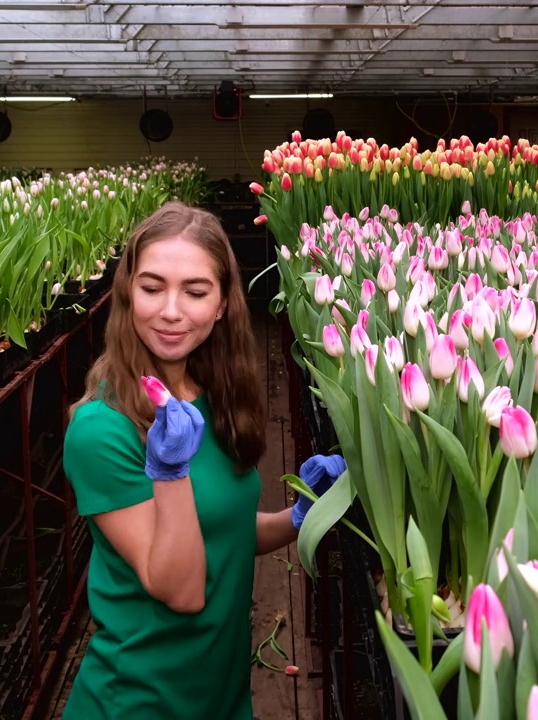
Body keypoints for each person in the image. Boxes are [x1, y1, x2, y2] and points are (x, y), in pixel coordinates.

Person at [61, 201, 345, 719]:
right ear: (126, 294)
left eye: (194, 292)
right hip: (141, 700)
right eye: (151, 288)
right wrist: (169, 472)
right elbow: (184, 590)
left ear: (221, 305)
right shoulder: (102, 429)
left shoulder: (212, 396)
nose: (171, 310)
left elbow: (221, 529)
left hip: (222, 693)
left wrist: (300, 517)